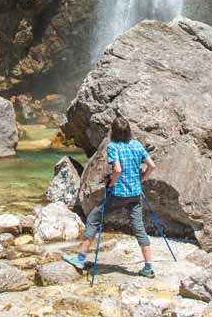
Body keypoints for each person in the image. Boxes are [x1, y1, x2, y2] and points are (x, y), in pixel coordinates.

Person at [62, 116, 157, 278]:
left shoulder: (113, 147)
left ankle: (80, 258)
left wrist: (111, 184)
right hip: (135, 193)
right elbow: (152, 165)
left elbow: (118, 170)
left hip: (118, 193)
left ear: (113, 131)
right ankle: (148, 268)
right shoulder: (136, 145)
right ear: (128, 131)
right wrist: (140, 179)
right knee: (139, 228)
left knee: (93, 218)